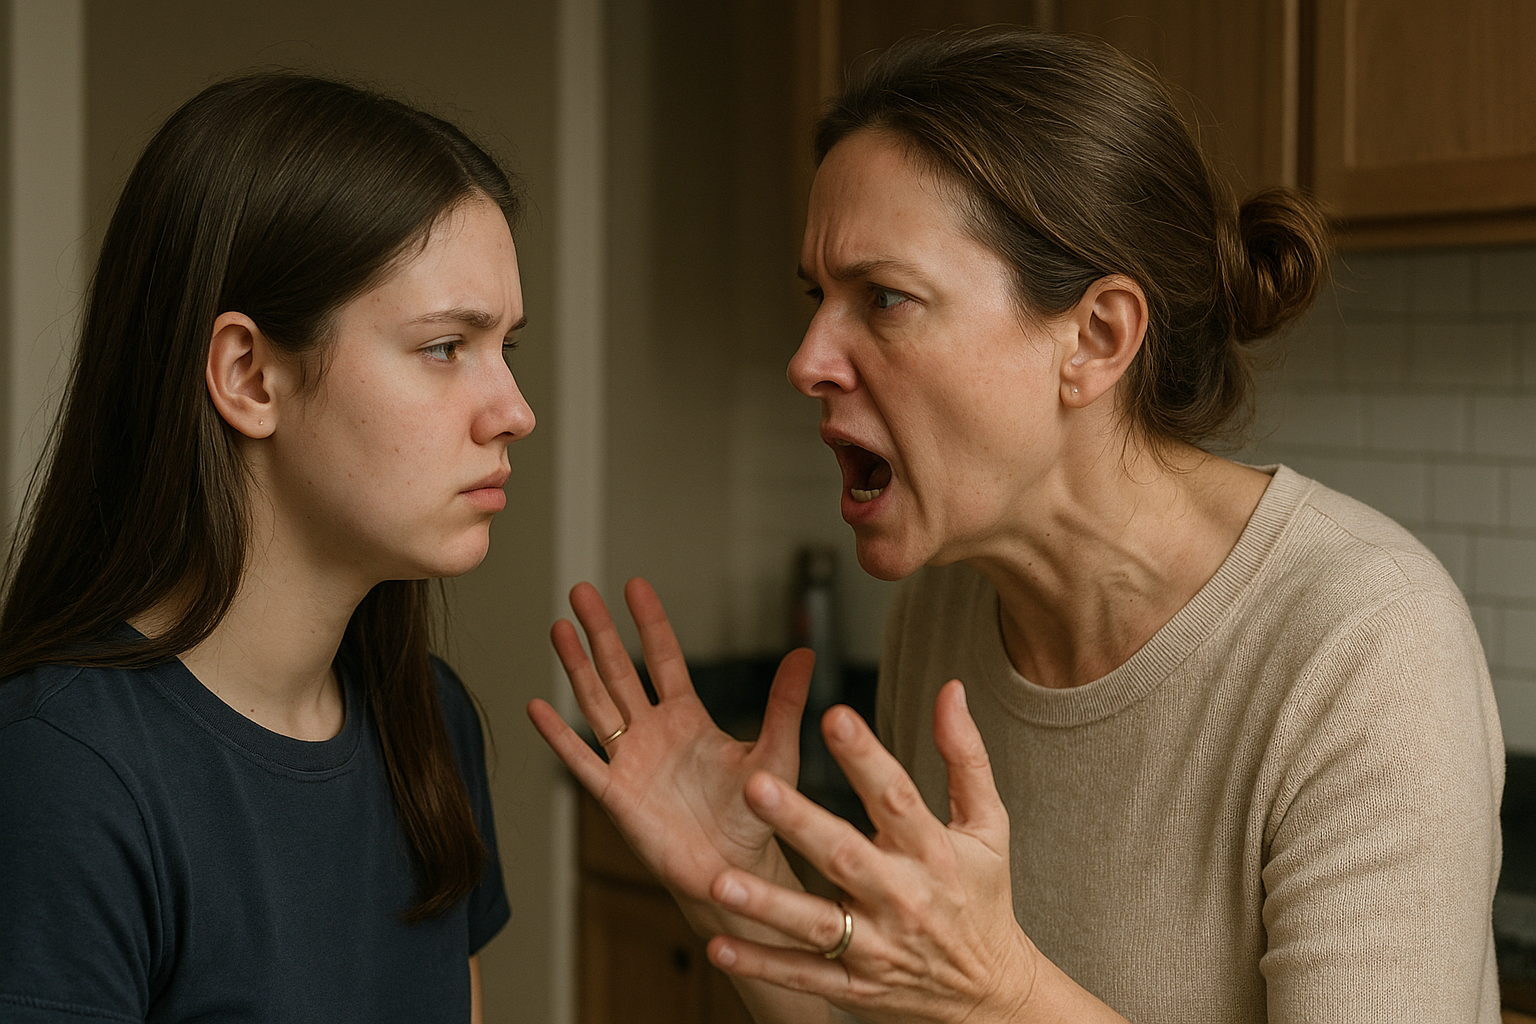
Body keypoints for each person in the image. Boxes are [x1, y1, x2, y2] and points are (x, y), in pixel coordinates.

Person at [529, 28, 1504, 1024]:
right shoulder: (948, 604)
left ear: (1096, 338)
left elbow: (979, 996)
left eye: (886, 298)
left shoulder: (1366, 645)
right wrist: (733, 877)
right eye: (820, 297)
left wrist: (1004, 989)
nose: (808, 356)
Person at [0, 73, 533, 1022]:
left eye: (509, 349)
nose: (515, 413)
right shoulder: (61, 772)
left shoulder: (430, 726)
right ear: (248, 375)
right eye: (447, 346)